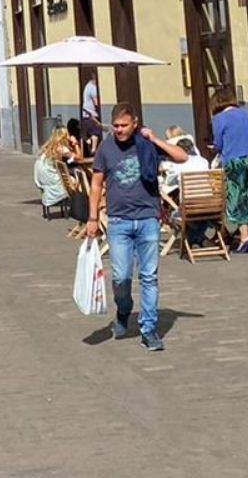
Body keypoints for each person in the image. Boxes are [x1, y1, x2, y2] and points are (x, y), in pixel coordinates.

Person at [87, 103, 188, 352]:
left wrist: (155, 139)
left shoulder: (146, 143)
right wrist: (92, 218)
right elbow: (97, 184)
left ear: (134, 123)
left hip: (147, 219)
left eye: (124, 125)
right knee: (121, 277)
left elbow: (182, 157)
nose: (119, 130)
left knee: (149, 277)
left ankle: (149, 329)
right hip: (119, 221)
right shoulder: (106, 148)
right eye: (116, 126)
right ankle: (123, 310)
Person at [211, 97, 248, 253]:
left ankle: (244, 238)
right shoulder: (245, 114)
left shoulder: (219, 118)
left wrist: (215, 147)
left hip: (234, 159)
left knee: (237, 196)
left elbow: (218, 144)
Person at [35, 128, 90, 237]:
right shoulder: (61, 148)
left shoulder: (50, 146)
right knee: (77, 179)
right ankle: (81, 207)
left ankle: (80, 204)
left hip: (42, 175)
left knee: (73, 174)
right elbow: (79, 158)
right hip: (50, 176)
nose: (69, 136)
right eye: (68, 135)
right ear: (63, 137)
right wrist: (76, 144)